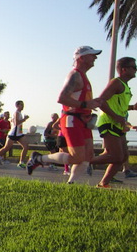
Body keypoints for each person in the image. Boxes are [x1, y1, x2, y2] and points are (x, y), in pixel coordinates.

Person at [26, 46, 102, 182]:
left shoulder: (83, 76)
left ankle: (71, 183)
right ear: (81, 58)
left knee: (88, 155)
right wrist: (85, 105)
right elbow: (61, 98)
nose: (95, 58)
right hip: (72, 120)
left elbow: (78, 99)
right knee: (76, 157)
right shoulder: (75, 75)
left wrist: (91, 103)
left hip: (83, 120)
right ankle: (38, 158)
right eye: (92, 55)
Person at [87, 57, 136, 188]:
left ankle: (103, 184)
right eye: (134, 67)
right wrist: (116, 117)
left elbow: (117, 105)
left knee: (123, 157)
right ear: (124, 69)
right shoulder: (116, 83)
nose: (136, 70)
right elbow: (101, 101)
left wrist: (132, 107)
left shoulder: (124, 86)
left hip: (117, 124)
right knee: (115, 156)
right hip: (108, 122)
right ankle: (84, 162)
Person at [0, 101, 30, 168]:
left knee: (26, 146)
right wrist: (24, 119)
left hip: (19, 134)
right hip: (13, 134)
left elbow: (13, 122)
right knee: (6, 148)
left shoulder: (19, 113)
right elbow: (16, 123)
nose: (23, 106)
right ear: (17, 106)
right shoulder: (16, 113)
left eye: (23, 105)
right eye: (21, 105)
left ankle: (21, 162)